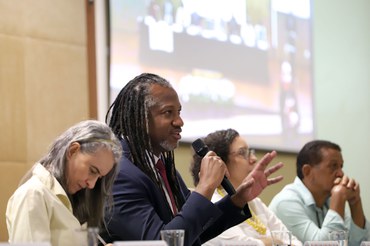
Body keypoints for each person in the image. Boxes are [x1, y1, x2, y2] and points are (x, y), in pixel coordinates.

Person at [102, 73, 284, 246]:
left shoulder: (162, 166)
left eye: (179, 112)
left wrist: (237, 201)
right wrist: (205, 187)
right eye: (168, 113)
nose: (180, 121)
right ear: (140, 118)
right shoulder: (119, 174)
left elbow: (195, 231)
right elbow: (160, 243)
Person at [6, 120, 122, 245]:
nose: (92, 184)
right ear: (73, 150)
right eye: (92, 171)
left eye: (99, 177)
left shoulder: (71, 200)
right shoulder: (33, 195)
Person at [190, 128, 302, 246]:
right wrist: (272, 242)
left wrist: (271, 242)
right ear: (220, 162)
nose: (254, 159)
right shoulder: (211, 202)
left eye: (251, 152)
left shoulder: (254, 202)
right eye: (242, 153)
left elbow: (292, 241)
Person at [268, 140, 370, 245]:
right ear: (307, 171)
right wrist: (339, 196)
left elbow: (357, 243)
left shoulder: (329, 200)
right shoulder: (286, 202)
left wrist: (355, 202)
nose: (341, 173)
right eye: (333, 166)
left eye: (341, 166)